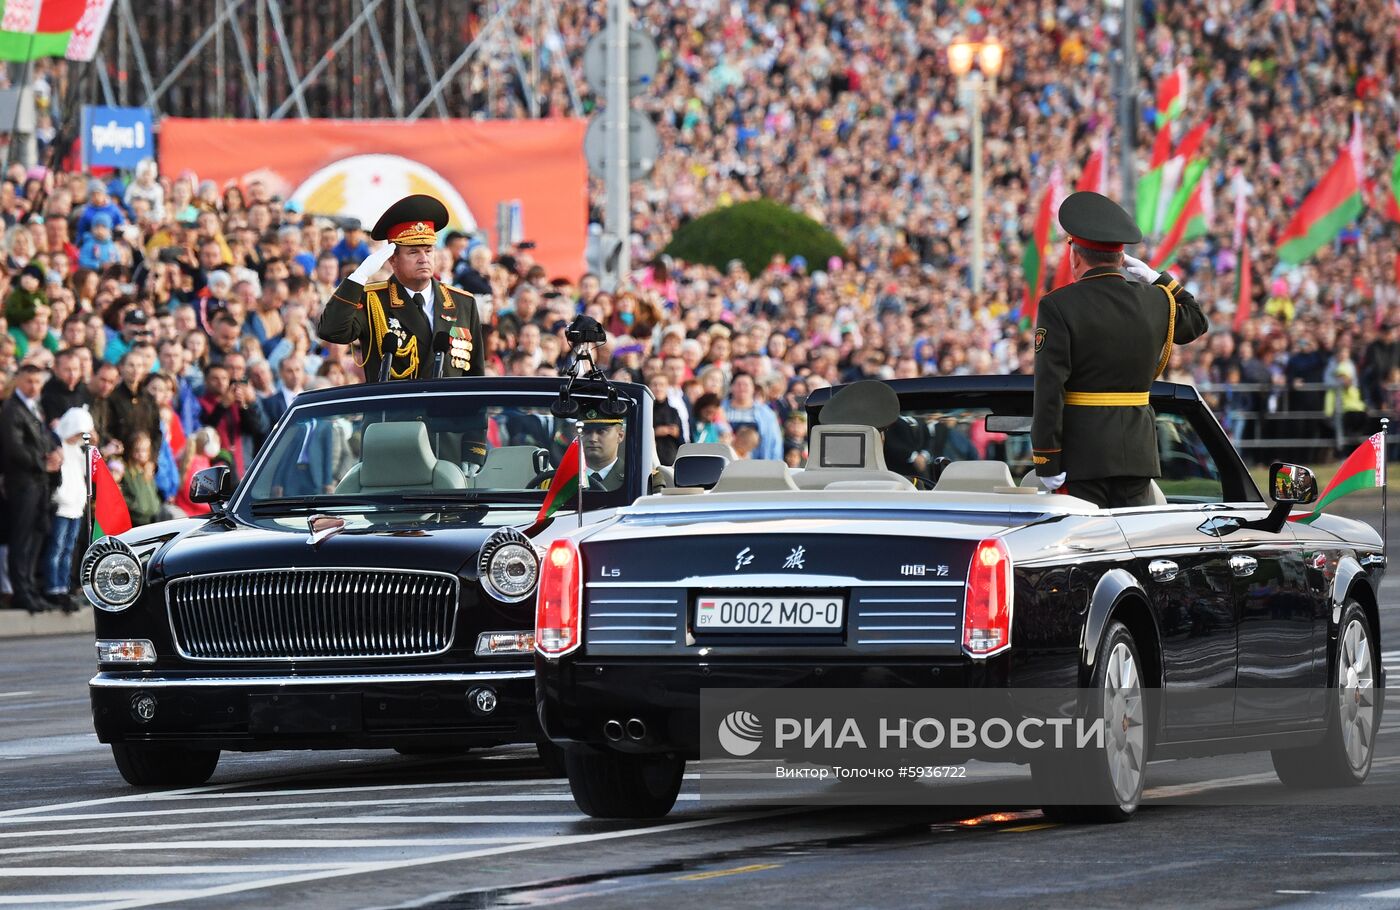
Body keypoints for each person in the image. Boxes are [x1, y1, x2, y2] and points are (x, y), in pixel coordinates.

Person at [1031, 191, 1208, 508]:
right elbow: (1195, 321)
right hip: (1136, 456)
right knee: (1131, 553)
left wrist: (1048, 459)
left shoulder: (1058, 306)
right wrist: (1158, 278)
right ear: (1122, 257)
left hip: (1082, 457)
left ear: (1075, 255)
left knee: (1088, 554)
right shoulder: (1155, 301)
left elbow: (1049, 388)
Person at [319, 194, 485, 381]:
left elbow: (475, 375)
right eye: (413, 252)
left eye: (428, 250)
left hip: (449, 410)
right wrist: (360, 275)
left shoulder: (462, 302)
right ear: (393, 259)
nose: (424, 258)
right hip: (393, 409)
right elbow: (331, 330)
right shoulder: (373, 300)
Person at [0, 364, 63, 612]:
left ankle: (29, 588)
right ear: (17, 381)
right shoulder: (11, 410)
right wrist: (43, 462)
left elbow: (43, 438)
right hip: (22, 483)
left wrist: (55, 452)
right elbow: (15, 449)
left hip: (38, 484)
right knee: (21, 539)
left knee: (36, 536)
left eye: (37, 382)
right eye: (29, 382)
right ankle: (21, 592)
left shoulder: (33, 407)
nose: (34, 387)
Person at [42, 406, 93, 611]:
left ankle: (63, 585)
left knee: (69, 549)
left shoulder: (78, 450)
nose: (78, 437)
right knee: (56, 548)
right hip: (62, 506)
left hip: (76, 507)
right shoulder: (58, 445)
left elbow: (85, 471)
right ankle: (53, 587)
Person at [579, 411, 626, 492]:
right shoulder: (562, 478)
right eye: (586, 431)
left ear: (620, 436)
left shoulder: (636, 477)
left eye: (601, 431)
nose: (593, 439)